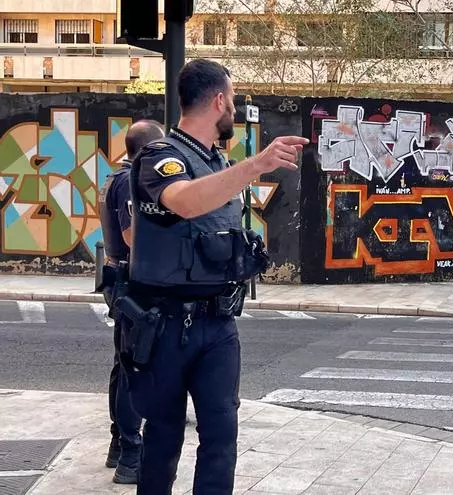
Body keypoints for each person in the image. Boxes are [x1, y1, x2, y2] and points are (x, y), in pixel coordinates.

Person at [124, 59, 309, 493]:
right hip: (165, 325)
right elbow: (184, 202)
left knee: (222, 439)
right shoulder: (159, 156)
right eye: (234, 99)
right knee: (164, 435)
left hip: (219, 325)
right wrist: (254, 167)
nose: (236, 109)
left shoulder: (214, 161)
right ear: (219, 100)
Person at [98, 119, 164, 484]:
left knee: (123, 365)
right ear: (149, 150)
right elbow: (131, 234)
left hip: (120, 278)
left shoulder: (115, 176)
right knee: (132, 371)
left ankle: (118, 447)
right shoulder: (128, 181)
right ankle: (130, 455)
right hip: (132, 282)